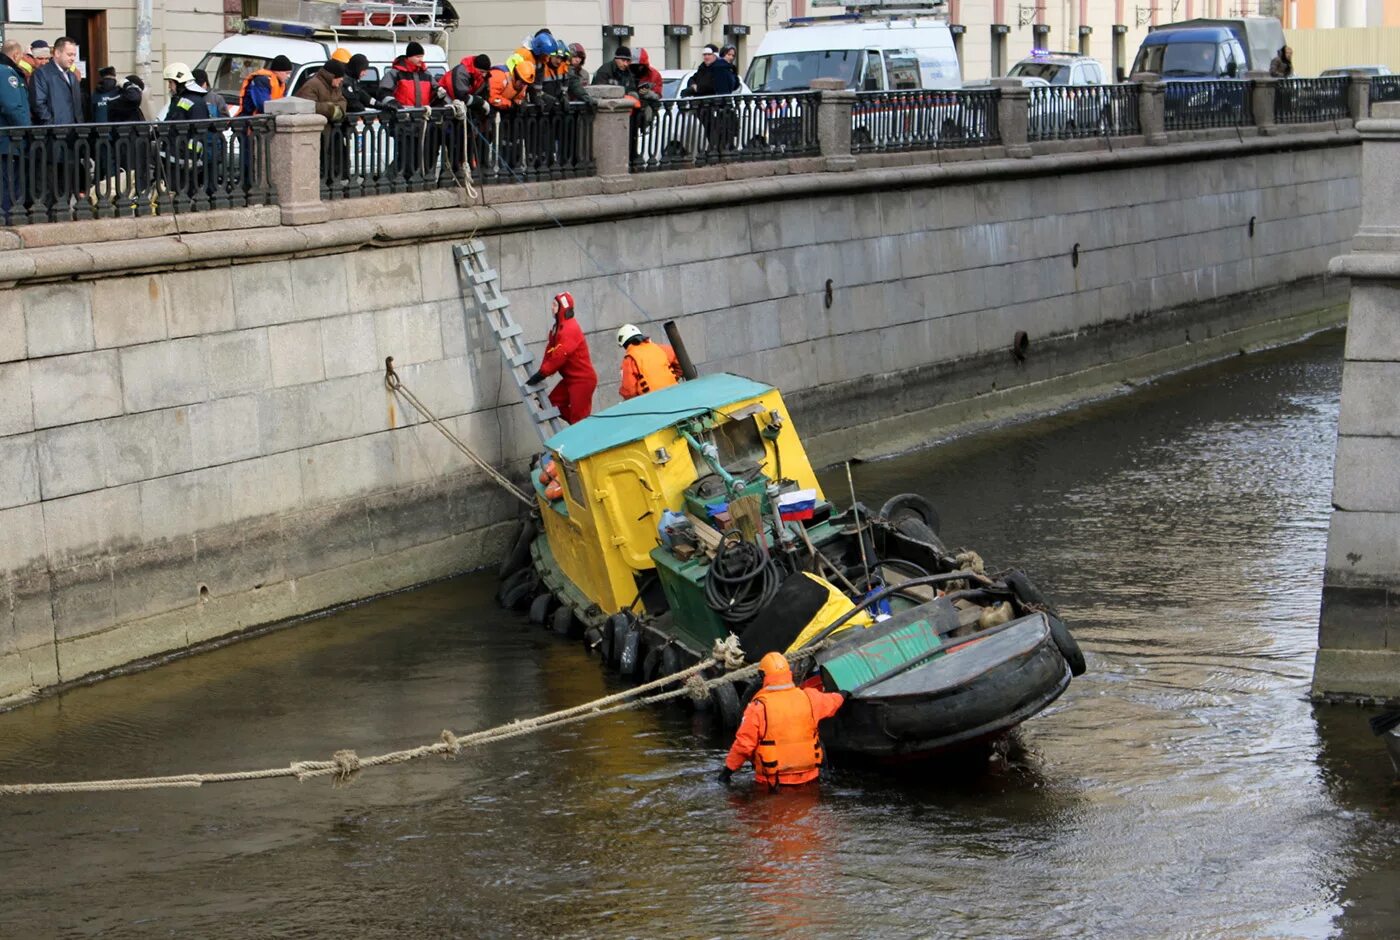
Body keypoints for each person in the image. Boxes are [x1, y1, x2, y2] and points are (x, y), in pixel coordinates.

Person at [718, 651, 846, 790]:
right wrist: (845, 694)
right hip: (810, 780)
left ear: (762, 676)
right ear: (789, 673)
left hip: (772, 784)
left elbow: (743, 745)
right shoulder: (810, 697)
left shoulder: (758, 708)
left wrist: (726, 773)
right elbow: (834, 700)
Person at [526, 291, 597, 424]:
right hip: (571, 379)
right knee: (551, 404)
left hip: (582, 380)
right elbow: (550, 350)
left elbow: (560, 355)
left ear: (562, 308)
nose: (551, 308)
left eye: (554, 305)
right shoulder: (557, 328)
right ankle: (582, 426)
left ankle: (583, 430)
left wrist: (542, 374)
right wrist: (542, 371)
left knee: (579, 419)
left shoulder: (569, 329)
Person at [0, 40, 31, 222]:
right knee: (9, 182)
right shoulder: (7, 73)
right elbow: (12, 106)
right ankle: (9, 216)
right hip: (9, 140)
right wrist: (26, 129)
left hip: (8, 139)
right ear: (16, 55)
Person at [617, 323, 683, 399]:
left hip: (651, 401)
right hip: (675, 393)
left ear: (624, 344)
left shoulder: (629, 359)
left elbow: (629, 391)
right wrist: (674, 377)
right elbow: (681, 363)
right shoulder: (661, 348)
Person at [32, 36, 85, 125]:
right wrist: (52, 125)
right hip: (55, 133)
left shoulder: (72, 76)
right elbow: (38, 104)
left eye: (74, 55)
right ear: (57, 53)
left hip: (74, 132)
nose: (73, 58)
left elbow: (77, 107)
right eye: (69, 54)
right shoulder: (41, 74)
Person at [381, 41, 441, 107]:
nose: (421, 59)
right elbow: (384, 92)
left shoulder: (427, 74)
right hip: (402, 115)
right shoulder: (395, 73)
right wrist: (395, 105)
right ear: (409, 57)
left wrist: (440, 94)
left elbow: (436, 91)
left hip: (424, 114)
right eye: (418, 57)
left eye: (422, 56)